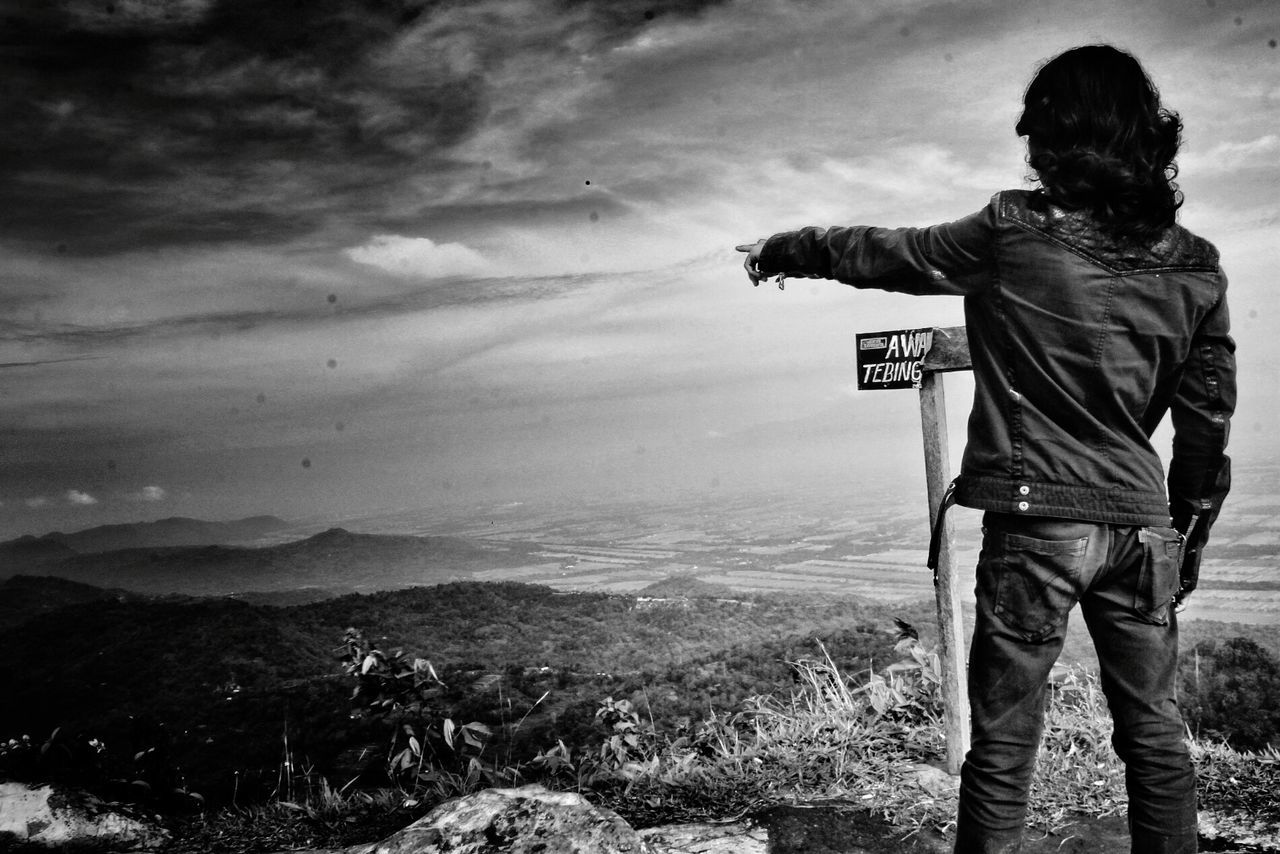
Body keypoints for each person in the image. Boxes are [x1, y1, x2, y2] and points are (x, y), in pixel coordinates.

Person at [738, 45, 1234, 854]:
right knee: (1156, 741)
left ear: (1052, 137)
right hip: (1144, 526)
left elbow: (886, 253)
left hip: (1038, 524)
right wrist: (1187, 536)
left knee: (1004, 750)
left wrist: (785, 248)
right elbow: (1207, 422)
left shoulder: (1012, 233)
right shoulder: (1197, 268)